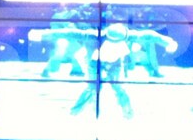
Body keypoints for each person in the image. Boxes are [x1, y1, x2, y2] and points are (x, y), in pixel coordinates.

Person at [29, 23, 178, 119]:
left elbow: (150, 35)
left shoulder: (129, 36)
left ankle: (128, 115)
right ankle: (74, 113)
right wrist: (42, 34)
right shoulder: (94, 36)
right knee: (91, 89)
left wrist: (168, 42)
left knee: (119, 89)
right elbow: (68, 33)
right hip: (96, 63)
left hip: (115, 64)